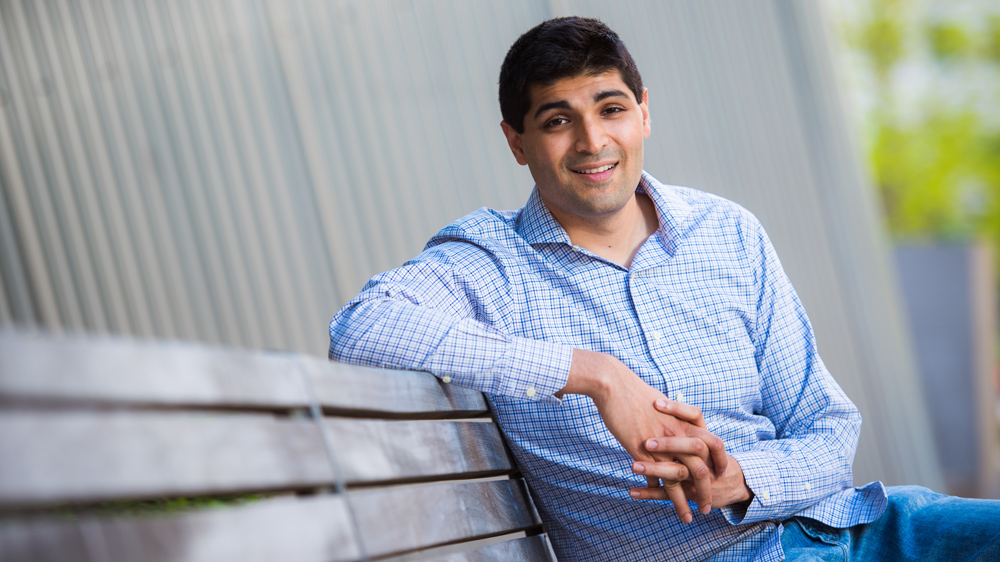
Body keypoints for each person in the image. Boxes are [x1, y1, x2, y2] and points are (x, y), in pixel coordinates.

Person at [330, 16, 1000, 561]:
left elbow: (827, 429)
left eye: (611, 108)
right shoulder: (492, 260)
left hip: (863, 529)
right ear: (517, 141)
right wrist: (594, 375)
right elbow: (362, 329)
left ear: (643, 115)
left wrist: (741, 478)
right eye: (558, 120)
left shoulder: (727, 232)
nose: (593, 141)